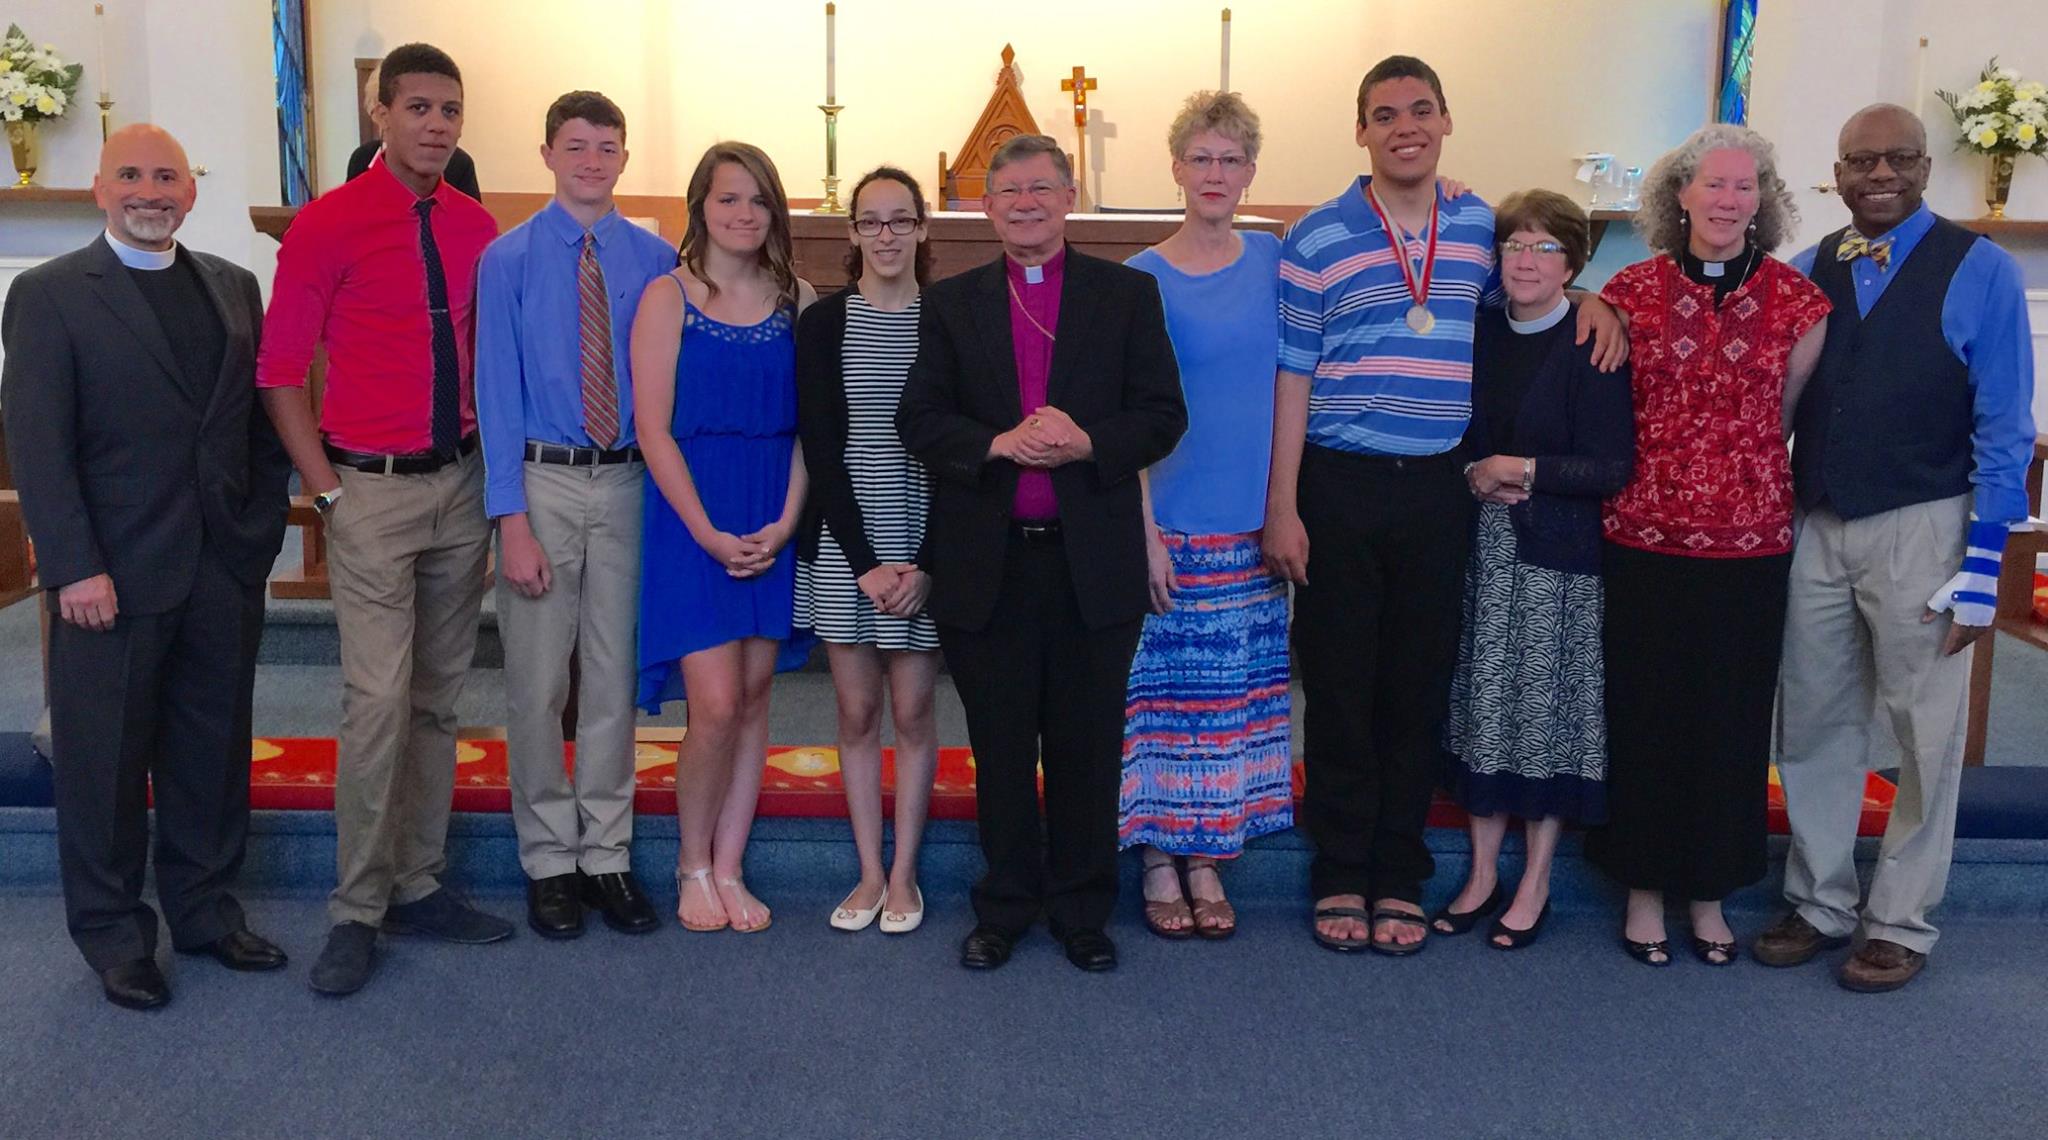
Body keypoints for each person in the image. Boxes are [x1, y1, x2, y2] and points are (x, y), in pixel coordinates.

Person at [1266, 55, 1625, 956]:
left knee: (1420, 682)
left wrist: (1600, 301)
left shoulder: (1476, 225)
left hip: (1438, 487)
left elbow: (1537, 285)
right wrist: (1283, 507)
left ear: (1446, 121)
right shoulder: (1314, 237)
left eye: (1420, 111)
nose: (1404, 128)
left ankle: (1401, 872)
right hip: (1338, 480)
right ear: (1360, 131)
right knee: (1343, 683)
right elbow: (1292, 379)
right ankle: (1341, 869)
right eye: (1384, 114)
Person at [1, 125, 292, 1010]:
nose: (149, 189)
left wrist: (257, 535)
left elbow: (258, 421)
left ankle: (204, 910)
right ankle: (115, 935)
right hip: (110, 576)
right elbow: (38, 446)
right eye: (130, 174)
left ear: (191, 191)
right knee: (106, 763)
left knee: (211, 749)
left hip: (219, 565)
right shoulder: (50, 294)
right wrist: (73, 566)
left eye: (166, 175)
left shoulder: (234, 288)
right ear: (99, 188)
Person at [1764, 104, 2037, 992]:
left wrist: (1984, 568)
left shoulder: (1980, 268)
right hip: (1820, 522)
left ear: (1925, 168)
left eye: (1898, 159)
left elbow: (2004, 428)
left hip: (1928, 521)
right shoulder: (1808, 268)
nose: (1878, 175)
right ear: (1835, 174)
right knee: (1812, 721)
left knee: (1924, 732)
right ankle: (1819, 899)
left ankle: (1901, 920)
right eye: (1859, 161)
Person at [900, 133, 1187, 973]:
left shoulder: (1125, 295)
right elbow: (920, 419)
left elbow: (1164, 415)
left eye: (1041, 188)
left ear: (1069, 197)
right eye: (1007, 191)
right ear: (985, 208)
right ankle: (1007, 903)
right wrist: (997, 444)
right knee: (998, 744)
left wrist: (1085, 441)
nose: (1025, 203)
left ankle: (1082, 907)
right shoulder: (952, 303)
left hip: (1090, 562)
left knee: (1086, 744)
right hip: (988, 563)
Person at [259, 43, 511, 996]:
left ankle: (417, 882)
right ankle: (356, 908)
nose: (438, 125)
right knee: (374, 704)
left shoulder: (478, 228)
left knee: (438, 701)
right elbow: (280, 371)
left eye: (451, 109)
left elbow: (486, 356)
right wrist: (325, 493)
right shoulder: (327, 226)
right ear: (382, 114)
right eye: (419, 107)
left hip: (458, 488)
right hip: (366, 490)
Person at [1585, 123, 1830, 968]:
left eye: (1746, 186)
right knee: (1648, 712)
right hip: (1644, 543)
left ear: (1764, 200)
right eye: (1713, 184)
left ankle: (1711, 892)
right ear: (1679, 194)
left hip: (1751, 548)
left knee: (1729, 721)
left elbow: (1787, 419)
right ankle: (1645, 890)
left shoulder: (1801, 305)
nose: (1729, 200)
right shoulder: (1627, 292)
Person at [475, 91, 676, 940]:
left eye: (608, 147)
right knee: (537, 680)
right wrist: (508, 517)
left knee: (611, 677)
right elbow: (494, 389)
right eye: (577, 146)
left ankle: (607, 854)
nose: (593, 161)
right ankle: (549, 858)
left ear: (625, 158)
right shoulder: (509, 258)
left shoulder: (658, 258)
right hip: (545, 480)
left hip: (630, 481)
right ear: (548, 153)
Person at [1434, 190, 1634, 950]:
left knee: (1546, 719)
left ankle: (1537, 879)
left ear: (1573, 264)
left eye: (1546, 248)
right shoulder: (1479, 331)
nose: (1526, 260)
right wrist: (1473, 473)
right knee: (1484, 708)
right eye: (1514, 245)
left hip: (1558, 558)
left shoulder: (1592, 342)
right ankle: (1482, 873)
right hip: (1480, 553)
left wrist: (1525, 468)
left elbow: (1612, 464)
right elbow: (1447, 428)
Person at [632, 142, 816, 936]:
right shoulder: (668, 297)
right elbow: (652, 429)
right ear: (699, 206)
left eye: (759, 201)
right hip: (693, 515)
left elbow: (817, 427)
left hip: (774, 510)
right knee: (710, 704)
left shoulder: (797, 299)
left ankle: (732, 865)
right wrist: (707, 532)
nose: (744, 215)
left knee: (752, 699)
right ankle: (692, 863)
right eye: (728, 199)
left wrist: (787, 522)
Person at [1118, 92, 1290, 941]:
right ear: (1177, 168)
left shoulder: (1278, 262)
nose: (1216, 174)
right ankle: (1158, 855)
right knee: (1163, 699)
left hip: (1254, 522)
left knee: (1228, 703)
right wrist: (1144, 529)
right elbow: (1132, 415)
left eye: (1232, 160)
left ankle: (1208, 853)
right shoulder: (1140, 279)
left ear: (1251, 172)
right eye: (1202, 159)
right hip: (1172, 520)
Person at [794, 166, 941, 935]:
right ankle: (868, 870)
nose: (886, 235)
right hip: (850, 538)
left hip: (925, 538)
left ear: (923, 228)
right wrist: (864, 563)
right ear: (851, 233)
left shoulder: (949, 318)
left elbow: (962, 452)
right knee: (856, 710)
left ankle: (908, 874)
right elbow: (823, 450)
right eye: (871, 221)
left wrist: (927, 563)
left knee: (914, 709)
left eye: (900, 219)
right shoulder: (824, 324)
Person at [347, 62, 481, 200]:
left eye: (448, 110)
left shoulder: (459, 163)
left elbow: (472, 219)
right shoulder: (362, 158)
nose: (435, 124)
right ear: (378, 114)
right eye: (417, 108)